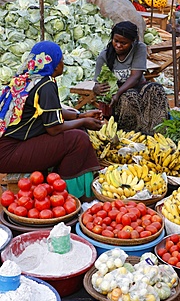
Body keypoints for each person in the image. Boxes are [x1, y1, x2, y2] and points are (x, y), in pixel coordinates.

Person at [0, 41, 103, 199]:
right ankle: (68, 194)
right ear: (54, 65)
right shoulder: (45, 84)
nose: (63, 64)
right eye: (61, 60)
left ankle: (56, 183)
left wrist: (80, 115)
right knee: (78, 138)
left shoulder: (27, 77)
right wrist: (83, 122)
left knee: (76, 127)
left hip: (8, 147)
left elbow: (50, 110)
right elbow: (54, 129)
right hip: (10, 153)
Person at [93, 21, 169, 135]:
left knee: (156, 89)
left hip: (138, 87)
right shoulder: (104, 56)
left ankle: (157, 132)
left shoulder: (139, 48)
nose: (118, 45)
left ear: (133, 42)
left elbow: (136, 76)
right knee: (129, 97)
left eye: (124, 43)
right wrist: (97, 89)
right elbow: (96, 84)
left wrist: (119, 92)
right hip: (118, 97)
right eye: (116, 41)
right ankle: (132, 134)